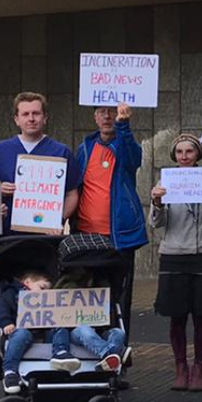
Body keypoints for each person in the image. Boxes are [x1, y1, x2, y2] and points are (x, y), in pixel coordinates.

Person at [0, 92, 80, 393]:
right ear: (16, 118)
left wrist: (58, 220)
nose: (31, 118)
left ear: (45, 117)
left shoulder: (61, 151)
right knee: (2, 298)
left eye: (36, 113)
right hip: (9, 239)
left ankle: (49, 356)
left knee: (47, 296)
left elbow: (72, 194)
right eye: (25, 114)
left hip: (45, 242)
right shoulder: (0, 151)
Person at [150, 133, 202, 391]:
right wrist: (156, 203)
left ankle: (199, 368)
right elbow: (156, 224)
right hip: (174, 254)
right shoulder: (165, 182)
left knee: (201, 315)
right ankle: (180, 367)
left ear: (197, 155)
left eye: (190, 151)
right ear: (175, 156)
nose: (185, 156)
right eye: (180, 152)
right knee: (176, 316)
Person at [71, 103, 148, 338]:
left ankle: (118, 346)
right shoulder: (85, 148)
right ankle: (90, 344)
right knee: (86, 295)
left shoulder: (125, 144)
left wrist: (123, 125)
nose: (107, 116)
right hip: (86, 236)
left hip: (119, 237)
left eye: (112, 111)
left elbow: (132, 160)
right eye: (102, 111)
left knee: (118, 296)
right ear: (95, 117)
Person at [0, 269, 79, 394]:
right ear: (27, 282)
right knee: (22, 334)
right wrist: (6, 322)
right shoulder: (12, 294)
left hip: (45, 331)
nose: (45, 293)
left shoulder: (48, 299)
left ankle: (60, 352)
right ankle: (10, 371)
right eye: (42, 288)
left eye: (48, 291)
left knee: (60, 326)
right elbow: (0, 309)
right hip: (21, 329)